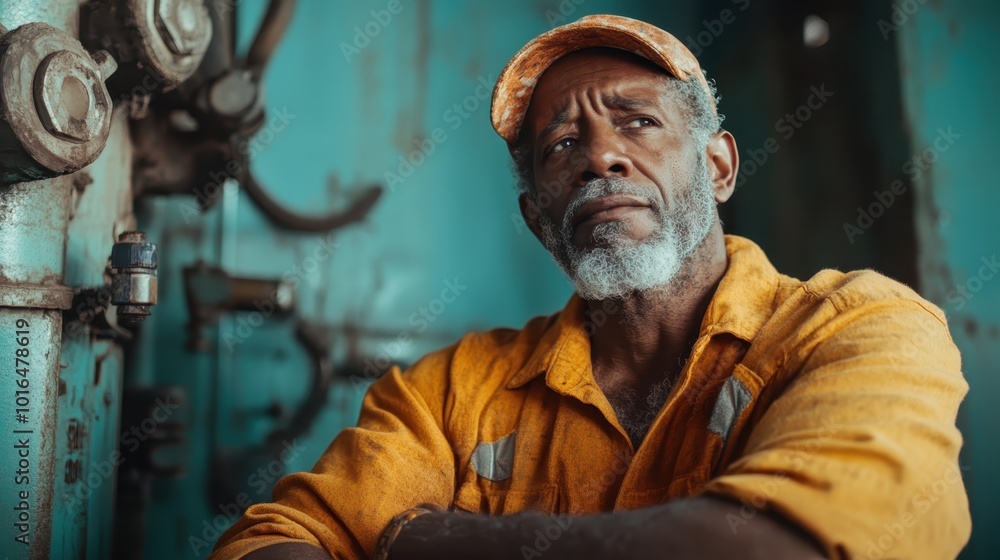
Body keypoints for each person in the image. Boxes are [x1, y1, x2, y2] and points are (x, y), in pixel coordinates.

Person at [208, 14, 970, 560]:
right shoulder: (448, 392)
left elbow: (781, 546)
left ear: (718, 167)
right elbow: (272, 540)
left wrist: (425, 539)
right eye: (562, 144)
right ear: (538, 219)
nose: (599, 157)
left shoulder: (862, 328)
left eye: (637, 123)